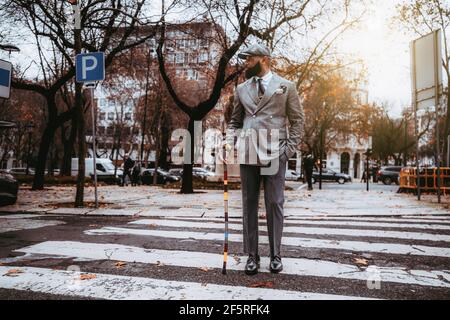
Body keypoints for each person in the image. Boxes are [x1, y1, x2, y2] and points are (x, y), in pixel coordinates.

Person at [225, 43, 304, 275]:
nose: (246, 63)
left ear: (264, 59)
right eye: (245, 59)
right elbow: (234, 122)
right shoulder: (241, 89)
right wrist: (230, 141)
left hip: (275, 154)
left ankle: (275, 254)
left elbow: (298, 121)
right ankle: (252, 255)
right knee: (249, 205)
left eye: (250, 58)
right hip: (249, 153)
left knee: (274, 203)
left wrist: (287, 151)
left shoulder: (286, 86)